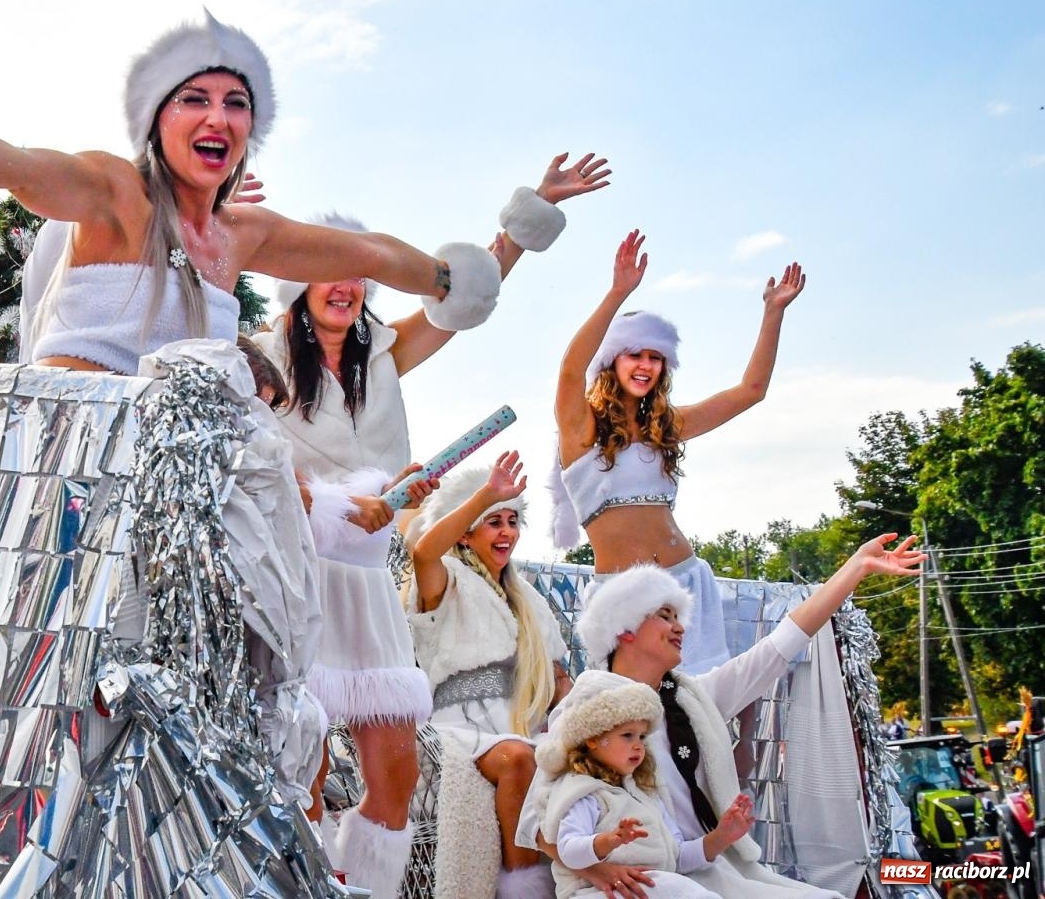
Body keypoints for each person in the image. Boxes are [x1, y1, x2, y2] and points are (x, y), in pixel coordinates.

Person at [0, 11, 518, 377]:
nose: (218, 116)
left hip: (176, 493)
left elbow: (371, 253)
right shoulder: (116, 193)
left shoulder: (242, 236)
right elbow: (17, 164)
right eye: (195, 99)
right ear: (157, 120)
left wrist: (452, 282)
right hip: (70, 465)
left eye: (236, 104)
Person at [250, 162, 606, 899]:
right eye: (327, 270)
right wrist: (335, 503)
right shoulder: (269, 356)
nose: (343, 284)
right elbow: (258, 458)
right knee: (304, 755)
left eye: (356, 272)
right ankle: (300, 882)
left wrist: (526, 220)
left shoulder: (382, 354)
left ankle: (360, 886)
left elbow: (460, 299)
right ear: (300, 282)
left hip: (367, 587)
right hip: (300, 574)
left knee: (395, 771)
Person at [520, 536, 924, 898]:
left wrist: (855, 568)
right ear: (625, 628)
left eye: (679, 617)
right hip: (645, 883)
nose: (679, 627)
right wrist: (599, 870)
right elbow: (537, 825)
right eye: (665, 615)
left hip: (709, 868)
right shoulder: (586, 709)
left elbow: (778, 648)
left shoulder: (694, 696)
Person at [551, 229, 807, 673]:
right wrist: (616, 294)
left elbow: (751, 391)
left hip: (686, 584)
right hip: (620, 593)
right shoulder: (582, 429)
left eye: (655, 357)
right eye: (634, 354)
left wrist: (773, 313)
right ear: (613, 361)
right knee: (631, 717)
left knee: (702, 711)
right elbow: (572, 370)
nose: (646, 365)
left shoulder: (667, 426)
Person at [405, 453, 571, 899]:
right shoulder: (448, 579)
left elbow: (559, 679)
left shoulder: (530, 600)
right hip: (458, 728)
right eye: (494, 521)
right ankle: (525, 892)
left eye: (512, 520)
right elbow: (422, 551)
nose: (507, 532)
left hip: (522, 721)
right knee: (519, 759)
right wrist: (485, 493)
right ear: (466, 531)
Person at [536, 669, 750, 899]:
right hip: (596, 892)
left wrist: (721, 837)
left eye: (641, 737)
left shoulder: (645, 795)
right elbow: (568, 851)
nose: (638, 745)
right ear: (593, 739)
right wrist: (608, 841)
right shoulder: (583, 792)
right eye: (627, 735)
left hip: (648, 887)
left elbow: (676, 857)